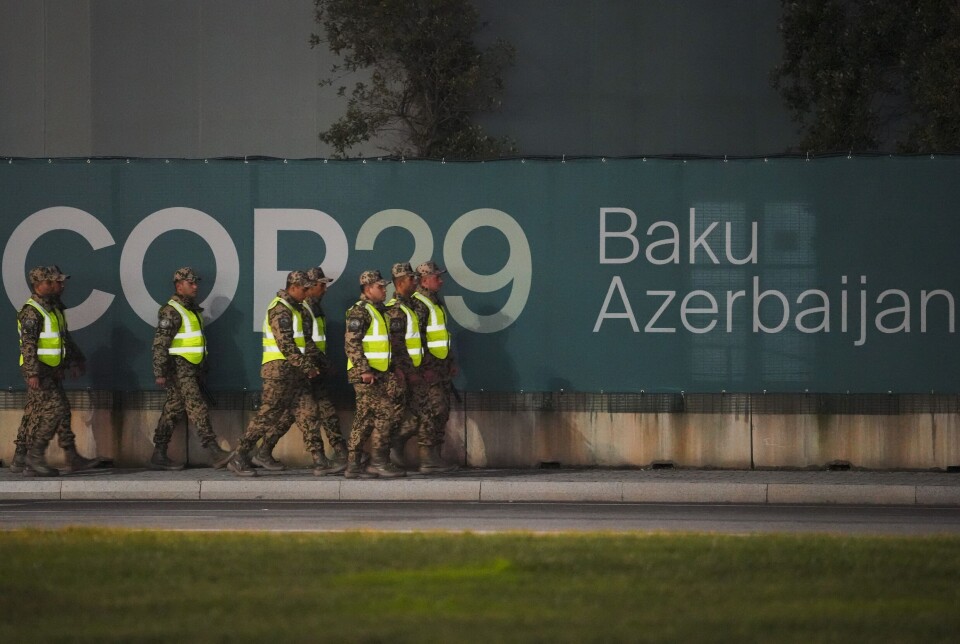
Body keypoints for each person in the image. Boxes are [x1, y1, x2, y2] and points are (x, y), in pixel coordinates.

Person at [226, 271, 324, 476]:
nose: (307, 293)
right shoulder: (280, 309)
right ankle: (239, 456)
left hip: (297, 374)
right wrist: (308, 366)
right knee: (267, 416)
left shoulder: (301, 310)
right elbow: (286, 344)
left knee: (309, 413)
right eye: (304, 289)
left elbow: (307, 342)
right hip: (278, 373)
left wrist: (323, 363)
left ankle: (319, 460)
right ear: (293, 287)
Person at [257, 266, 347, 476]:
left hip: (312, 368)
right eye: (321, 285)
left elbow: (311, 341)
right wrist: (310, 366)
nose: (324, 289)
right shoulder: (299, 308)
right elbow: (296, 343)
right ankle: (335, 456)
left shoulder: (313, 308)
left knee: (305, 414)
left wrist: (322, 365)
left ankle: (265, 451)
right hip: (303, 369)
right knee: (312, 413)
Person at [15, 265, 101, 476]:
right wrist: (32, 373)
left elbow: (63, 339)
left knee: (44, 413)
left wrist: (74, 360)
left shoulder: (54, 308)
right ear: (39, 285)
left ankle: (64, 457)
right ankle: (34, 456)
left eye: (61, 281)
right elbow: (28, 345)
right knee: (57, 410)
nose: (60, 285)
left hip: (52, 370)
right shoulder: (32, 311)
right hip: (40, 371)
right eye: (53, 281)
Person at [148, 267, 232, 470]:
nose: (196, 287)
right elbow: (160, 343)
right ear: (179, 286)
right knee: (197, 406)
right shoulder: (171, 311)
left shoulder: (191, 309)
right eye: (191, 283)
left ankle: (158, 454)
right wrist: (160, 372)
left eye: (196, 283)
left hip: (192, 368)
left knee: (173, 409)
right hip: (180, 368)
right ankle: (214, 451)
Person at [343, 270, 406, 479]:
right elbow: (352, 343)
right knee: (384, 414)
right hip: (367, 376)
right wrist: (364, 370)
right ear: (368, 289)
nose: (384, 290)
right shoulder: (360, 312)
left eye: (384, 286)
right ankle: (378, 462)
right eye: (380, 287)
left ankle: (353, 465)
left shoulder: (377, 311)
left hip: (379, 374)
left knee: (365, 418)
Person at [410, 260, 459, 474]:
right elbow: (416, 339)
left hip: (439, 368)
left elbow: (439, 337)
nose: (441, 280)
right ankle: (427, 458)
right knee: (432, 411)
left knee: (440, 410)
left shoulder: (433, 301)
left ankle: (433, 456)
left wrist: (449, 362)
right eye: (436, 276)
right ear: (424, 280)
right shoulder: (418, 304)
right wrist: (424, 368)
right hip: (428, 370)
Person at [384, 262, 427, 469]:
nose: (415, 281)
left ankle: (397, 443)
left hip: (414, 371)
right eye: (411, 278)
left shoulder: (412, 306)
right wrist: (405, 371)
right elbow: (396, 345)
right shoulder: (395, 310)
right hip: (401, 374)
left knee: (420, 415)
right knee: (393, 416)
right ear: (401, 282)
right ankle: (384, 456)